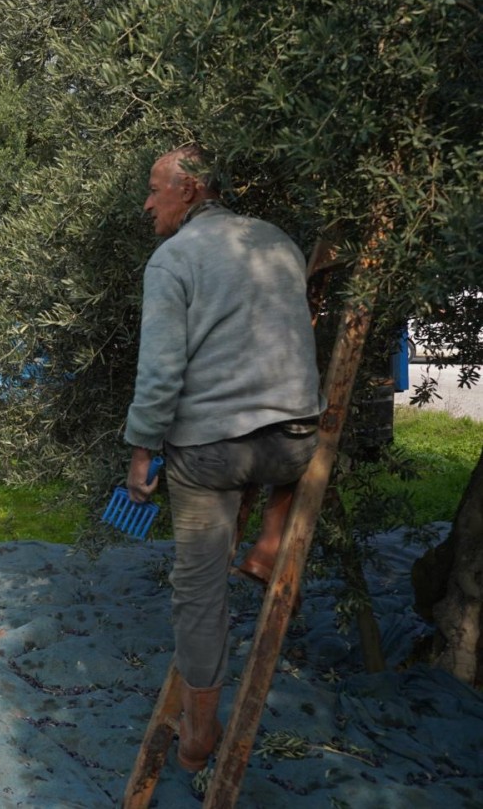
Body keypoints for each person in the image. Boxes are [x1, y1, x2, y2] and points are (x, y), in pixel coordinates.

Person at [124, 146, 321, 772]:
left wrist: (140, 452)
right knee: (291, 437)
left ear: (191, 190)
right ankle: (267, 544)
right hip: (293, 444)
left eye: (156, 190)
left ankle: (201, 731)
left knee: (200, 592)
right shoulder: (278, 241)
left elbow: (160, 373)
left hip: (212, 456)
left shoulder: (173, 260)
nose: (147, 203)